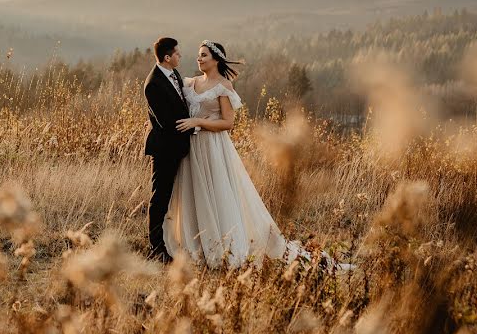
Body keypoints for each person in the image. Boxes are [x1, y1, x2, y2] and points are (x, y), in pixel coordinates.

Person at [163, 40, 338, 269]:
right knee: (195, 193)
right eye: (199, 55)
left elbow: (228, 123)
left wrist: (197, 121)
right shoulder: (190, 83)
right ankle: (194, 242)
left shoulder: (223, 87)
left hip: (213, 148)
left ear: (216, 59)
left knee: (217, 194)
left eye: (204, 55)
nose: (199, 59)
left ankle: (221, 246)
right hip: (192, 149)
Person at [143, 37, 194, 263]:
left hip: (177, 147)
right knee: (160, 196)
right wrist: (195, 127)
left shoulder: (174, 75)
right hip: (165, 148)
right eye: (177, 54)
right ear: (167, 57)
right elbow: (166, 121)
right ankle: (156, 247)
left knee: (169, 196)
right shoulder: (153, 83)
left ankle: (173, 238)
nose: (180, 57)